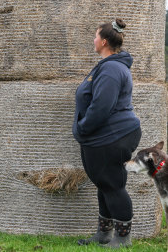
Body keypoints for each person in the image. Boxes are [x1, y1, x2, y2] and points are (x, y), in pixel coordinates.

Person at [72, 19, 141, 249]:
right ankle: (103, 235)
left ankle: (122, 238)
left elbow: (102, 107)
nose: (92, 40)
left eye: (95, 36)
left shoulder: (111, 69)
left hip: (113, 136)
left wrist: (82, 128)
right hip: (107, 135)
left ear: (103, 41)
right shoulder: (109, 65)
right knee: (104, 183)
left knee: (112, 184)